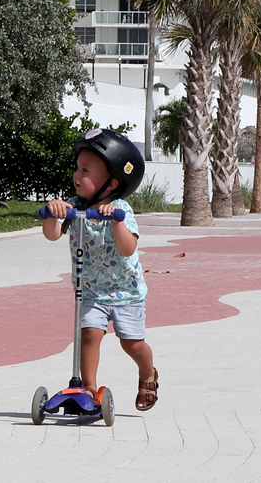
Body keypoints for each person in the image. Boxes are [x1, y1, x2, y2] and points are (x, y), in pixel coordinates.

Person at [41, 129, 158, 411]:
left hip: (125, 292)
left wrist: (116, 221)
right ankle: (89, 388)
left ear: (111, 182)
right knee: (90, 335)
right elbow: (52, 234)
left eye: (86, 170)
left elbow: (128, 247)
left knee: (131, 344)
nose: (77, 175)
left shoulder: (121, 209)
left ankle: (147, 372)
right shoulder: (75, 206)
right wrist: (52, 211)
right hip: (91, 291)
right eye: (77, 168)